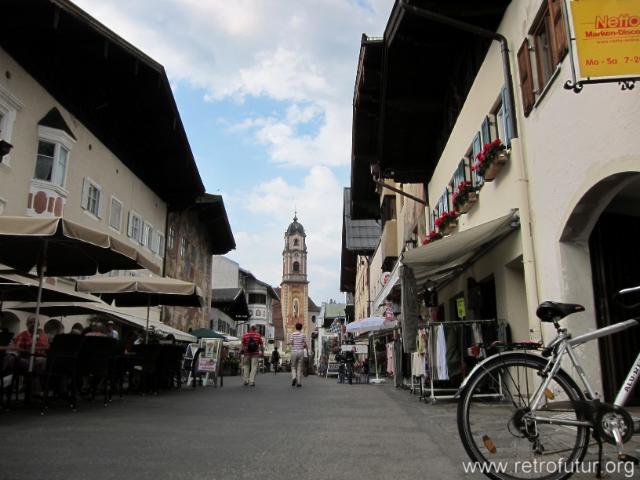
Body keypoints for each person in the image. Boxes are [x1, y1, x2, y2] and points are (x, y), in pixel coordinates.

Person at [2, 316, 49, 394]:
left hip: (40, 358)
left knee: (44, 362)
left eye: (35, 322)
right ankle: (35, 391)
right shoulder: (22, 335)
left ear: (38, 324)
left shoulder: (42, 335)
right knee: (36, 364)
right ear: (27, 324)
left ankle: (35, 390)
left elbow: (47, 347)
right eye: (30, 322)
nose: (33, 324)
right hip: (27, 358)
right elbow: (17, 350)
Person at [288, 322, 307, 388]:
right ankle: (299, 382)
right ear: (301, 328)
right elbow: (304, 344)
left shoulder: (293, 334)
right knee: (299, 367)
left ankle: (294, 377)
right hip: (301, 352)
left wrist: (289, 343)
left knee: (293, 366)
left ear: (295, 327)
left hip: (294, 351)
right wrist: (303, 346)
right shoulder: (303, 335)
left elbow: (291, 342)